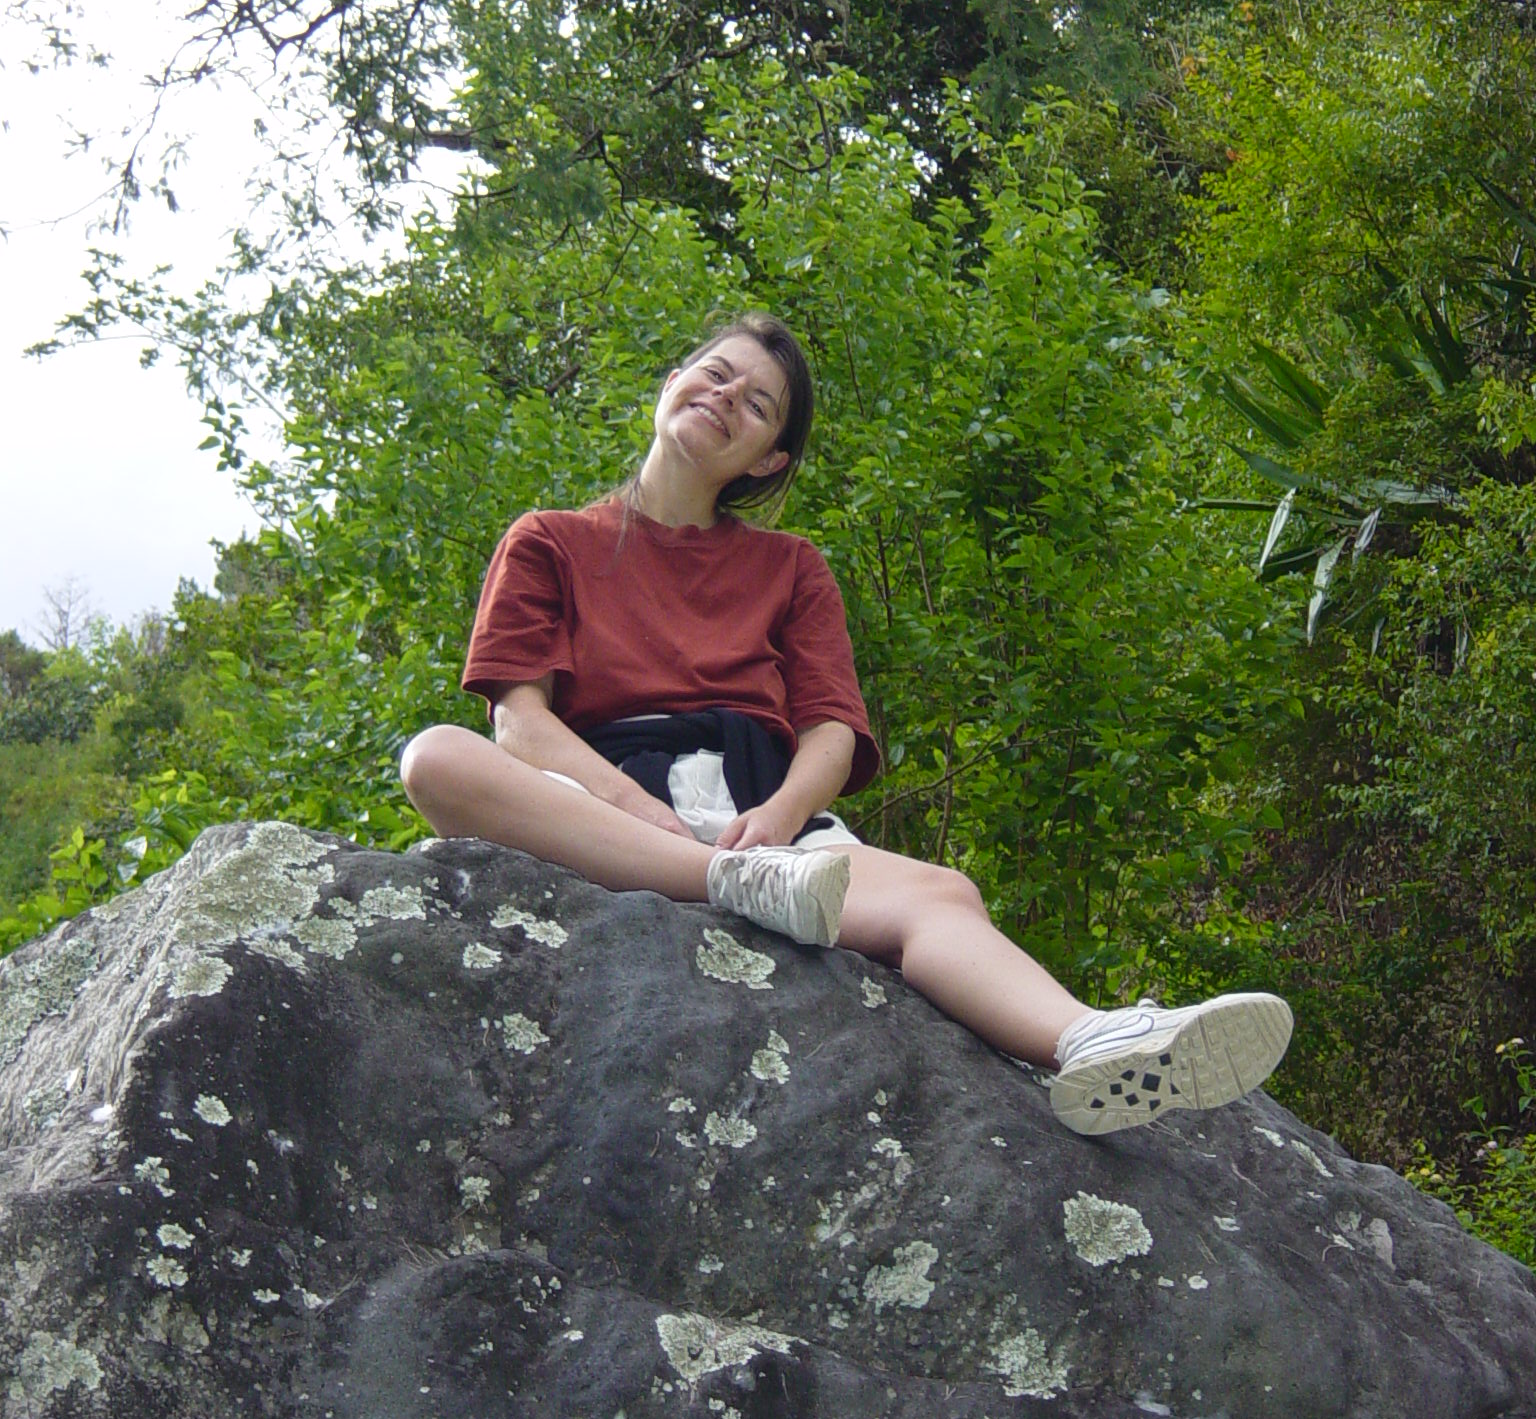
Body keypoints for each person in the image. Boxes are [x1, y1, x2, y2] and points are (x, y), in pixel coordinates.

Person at [399, 313, 1292, 1135]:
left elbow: (830, 729)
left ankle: (1092, 1039)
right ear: (670, 385)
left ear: (768, 461)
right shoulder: (549, 539)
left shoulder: (792, 568)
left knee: (942, 894)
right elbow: (520, 723)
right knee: (436, 757)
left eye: (757, 406)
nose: (726, 398)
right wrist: (641, 813)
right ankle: (723, 882)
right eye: (715, 375)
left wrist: (780, 822)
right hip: (600, 803)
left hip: (765, 817)